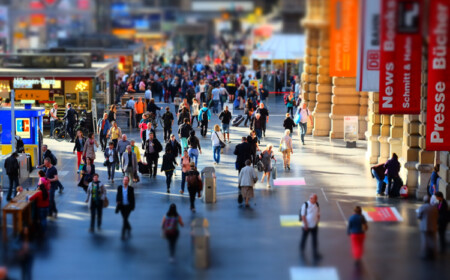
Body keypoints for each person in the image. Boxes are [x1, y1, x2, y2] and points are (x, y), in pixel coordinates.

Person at [299, 193, 321, 260]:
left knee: (314, 240)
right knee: (304, 238)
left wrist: (317, 221)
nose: (316, 200)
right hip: (307, 226)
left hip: (314, 225)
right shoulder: (305, 205)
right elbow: (303, 216)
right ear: (311, 198)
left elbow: (318, 213)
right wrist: (305, 225)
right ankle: (301, 249)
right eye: (315, 199)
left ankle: (315, 253)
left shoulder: (317, 204)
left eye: (316, 198)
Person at [417, 195, 439, 260]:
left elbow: (419, 216)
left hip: (425, 226)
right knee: (433, 240)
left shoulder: (422, 207)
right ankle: (434, 253)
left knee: (425, 241)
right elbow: (437, 216)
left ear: (424, 201)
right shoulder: (434, 208)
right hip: (433, 226)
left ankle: (425, 254)